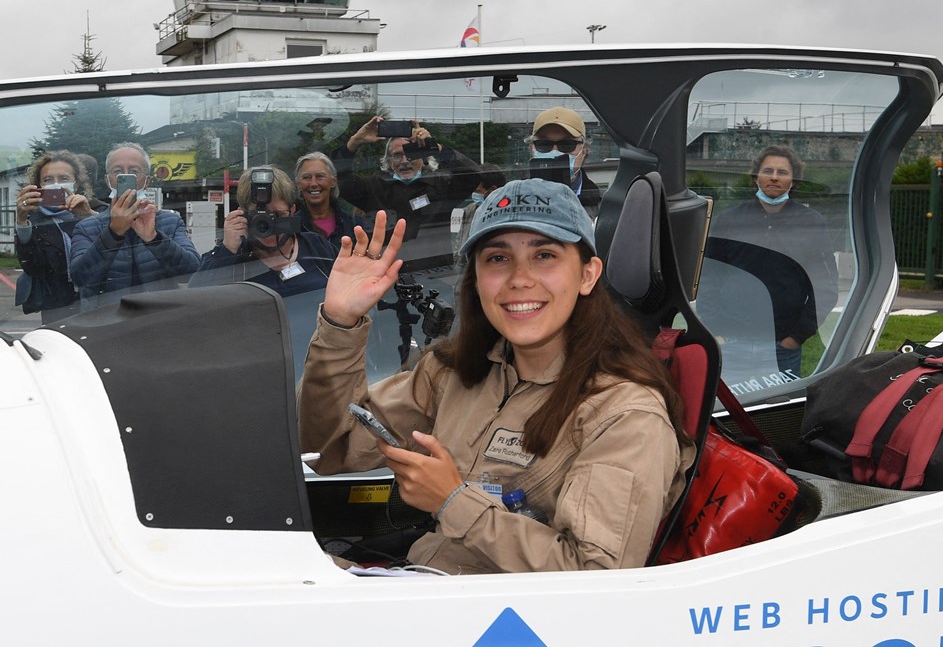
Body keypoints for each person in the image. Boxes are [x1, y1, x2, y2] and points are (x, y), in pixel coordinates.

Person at [298, 178, 694, 574]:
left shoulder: (625, 414)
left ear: (588, 275)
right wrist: (340, 322)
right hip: (427, 583)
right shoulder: (455, 372)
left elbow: (595, 580)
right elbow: (329, 450)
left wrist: (453, 502)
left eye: (545, 255)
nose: (520, 278)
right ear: (476, 278)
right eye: (498, 258)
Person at [699, 145, 839, 379]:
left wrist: (796, 337)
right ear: (756, 178)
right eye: (768, 170)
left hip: (783, 348)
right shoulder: (729, 220)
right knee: (727, 414)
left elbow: (825, 286)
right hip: (731, 344)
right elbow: (709, 277)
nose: (774, 177)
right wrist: (716, 330)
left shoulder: (811, 223)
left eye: (782, 172)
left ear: (793, 181)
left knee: (777, 415)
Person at [70, 142, 200, 307]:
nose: (125, 176)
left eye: (134, 172)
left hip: (158, 319)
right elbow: (80, 278)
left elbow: (192, 273)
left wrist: (154, 238)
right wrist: (113, 233)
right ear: (108, 180)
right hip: (105, 322)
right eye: (117, 172)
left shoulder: (170, 222)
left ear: (147, 181)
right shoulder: (87, 227)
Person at [190, 166, 337, 297]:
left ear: (292, 211)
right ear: (242, 214)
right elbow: (196, 300)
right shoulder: (231, 258)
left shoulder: (316, 246)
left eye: (278, 215)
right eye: (260, 218)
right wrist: (227, 249)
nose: (269, 226)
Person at [332, 117, 484, 239]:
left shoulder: (441, 185)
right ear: (389, 162)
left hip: (434, 272)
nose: (405, 161)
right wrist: (354, 142)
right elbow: (340, 180)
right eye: (397, 155)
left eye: (411, 153)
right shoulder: (374, 187)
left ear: (423, 157)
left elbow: (472, 176)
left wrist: (435, 147)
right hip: (385, 271)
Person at [14, 151, 104, 322]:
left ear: (76, 184)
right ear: (38, 186)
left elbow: (114, 245)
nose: (56, 185)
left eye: (63, 179)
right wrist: (21, 221)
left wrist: (87, 216)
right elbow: (32, 268)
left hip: (99, 300)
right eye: (48, 180)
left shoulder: (96, 209)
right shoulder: (34, 219)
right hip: (56, 307)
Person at [527, 107, 602, 218]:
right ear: (531, 149)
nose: (555, 151)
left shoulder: (605, 207)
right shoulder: (512, 199)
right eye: (543, 144)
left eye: (567, 144)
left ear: (584, 150)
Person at [292, 151, 361, 245]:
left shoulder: (354, 226)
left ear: (333, 181)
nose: (313, 184)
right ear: (298, 184)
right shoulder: (291, 229)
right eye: (306, 177)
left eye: (320, 176)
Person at [450, 164, 506, 265]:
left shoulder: (505, 215)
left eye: (477, 191)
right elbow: (459, 245)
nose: (473, 195)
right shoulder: (469, 210)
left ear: (492, 190)